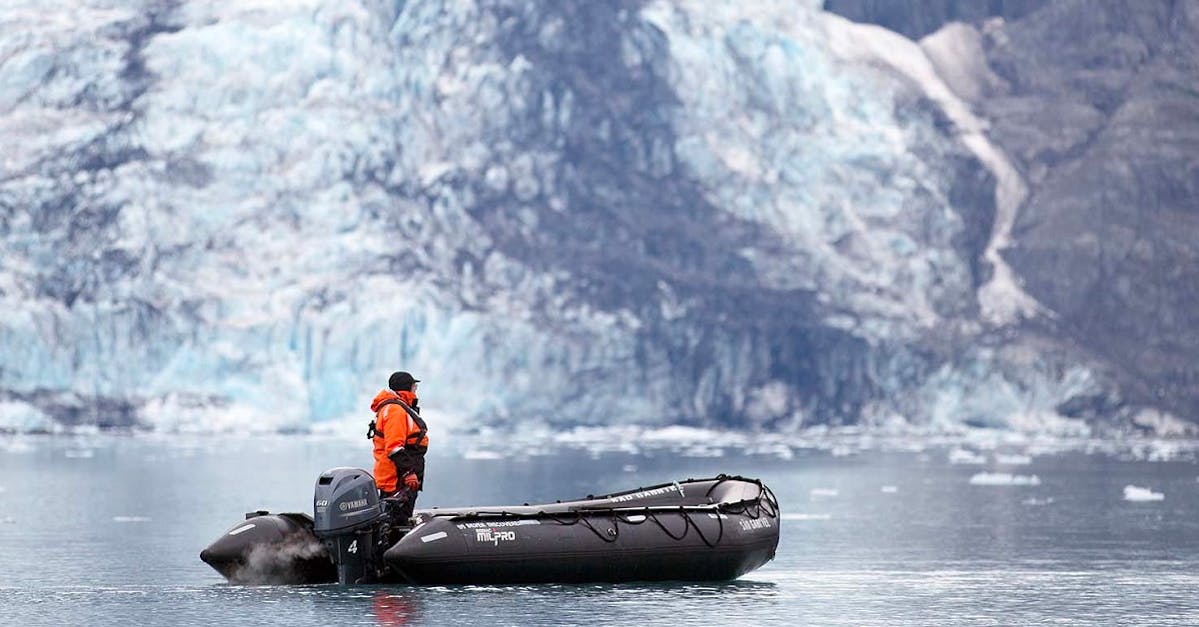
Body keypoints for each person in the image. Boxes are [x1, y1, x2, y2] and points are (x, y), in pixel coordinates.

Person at [368, 371, 429, 523]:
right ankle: (391, 545)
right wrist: (408, 473)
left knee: (393, 519)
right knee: (396, 520)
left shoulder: (395, 408)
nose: (415, 391)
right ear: (405, 389)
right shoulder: (396, 411)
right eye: (413, 387)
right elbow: (394, 448)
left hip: (398, 478)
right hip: (398, 480)